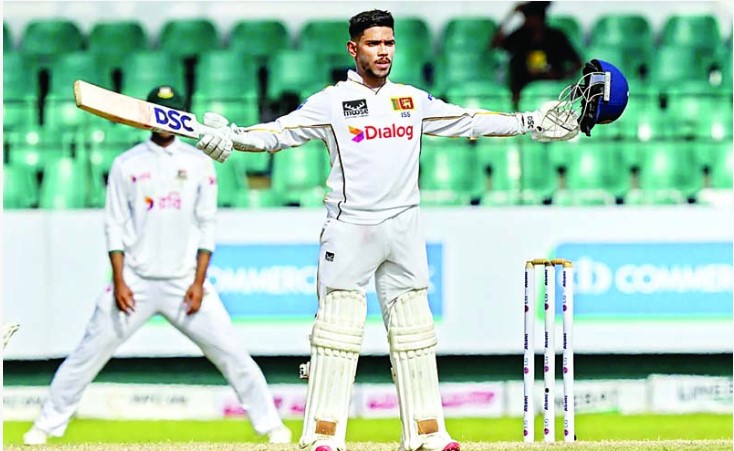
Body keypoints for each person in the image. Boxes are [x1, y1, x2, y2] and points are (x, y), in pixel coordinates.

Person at [195, 10, 577, 451]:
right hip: (351, 228)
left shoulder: (410, 100)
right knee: (337, 333)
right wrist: (233, 137)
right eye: (373, 44)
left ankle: (427, 433)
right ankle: (322, 436)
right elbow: (277, 134)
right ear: (353, 49)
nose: (383, 52)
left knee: (416, 332)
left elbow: (469, 120)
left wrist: (530, 122)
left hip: (404, 226)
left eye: (389, 43)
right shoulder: (332, 102)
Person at [23, 86, 291, 446]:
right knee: (86, 355)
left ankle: (271, 425)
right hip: (135, 283)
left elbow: (206, 225)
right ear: (147, 115)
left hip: (184, 284)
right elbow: (114, 225)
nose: (167, 121)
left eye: (174, 113)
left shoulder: (198, 162)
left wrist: (198, 283)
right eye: (160, 112)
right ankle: (46, 425)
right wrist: (120, 281)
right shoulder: (127, 164)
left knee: (233, 355)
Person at [491, 1, 583, 110]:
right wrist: (510, 15)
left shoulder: (556, 37)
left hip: (552, 85)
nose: (527, 21)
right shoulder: (520, 35)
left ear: (540, 18)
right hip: (523, 86)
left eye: (530, 18)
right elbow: (496, 44)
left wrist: (561, 75)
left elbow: (577, 63)